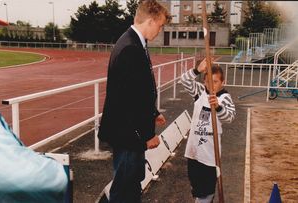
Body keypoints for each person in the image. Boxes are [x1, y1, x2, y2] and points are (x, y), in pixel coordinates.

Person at [98, 1, 170, 202]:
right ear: (150, 20)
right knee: (125, 187)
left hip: (129, 133)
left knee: (132, 183)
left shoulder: (135, 42)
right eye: (160, 25)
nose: (160, 30)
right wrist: (147, 135)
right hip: (128, 134)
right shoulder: (130, 47)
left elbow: (138, 90)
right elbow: (127, 102)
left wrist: (153, 113)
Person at [180, 59, 236, 203]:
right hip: (193, 152)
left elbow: (229, 117)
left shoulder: (225, 98)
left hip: (210, 155)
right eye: (208, 82)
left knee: (207, 191)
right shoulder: (200, 92)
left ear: (223, 82)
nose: (211, 85)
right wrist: (197, 70)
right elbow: (184, 80)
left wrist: (217, 107)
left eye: (215, 82)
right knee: (198, 189)